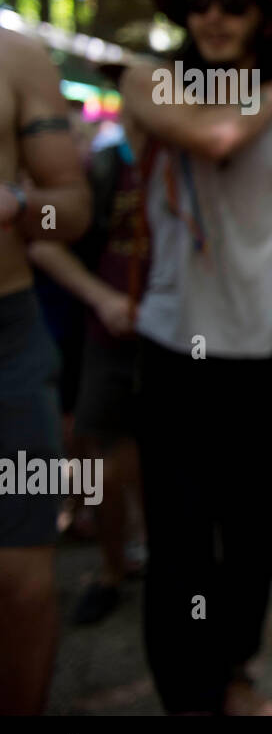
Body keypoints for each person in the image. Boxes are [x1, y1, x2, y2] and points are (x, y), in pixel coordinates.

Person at [118, 0, 272, 715]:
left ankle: (234, 664)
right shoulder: (148, 83)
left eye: (233, 6)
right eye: (201, 3)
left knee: (257, 527)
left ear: (262, 21)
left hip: (266, 347)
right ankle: (190, 695)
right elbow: (215, 139)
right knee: (178, 533)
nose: (214, 18)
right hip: (176, 343)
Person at [27, 80, 149, 625]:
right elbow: (46, 244)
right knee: (98, 450)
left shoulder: (195, 160)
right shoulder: (105, 169)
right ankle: (111, 568)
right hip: (107, 341)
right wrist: (104, 300)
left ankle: (153, 559)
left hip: (178, 342)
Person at [0, 27, 92, 714]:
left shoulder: (17, 57)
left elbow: (72, 208)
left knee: (19, 576)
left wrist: (19, 207)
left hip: (9, 335)